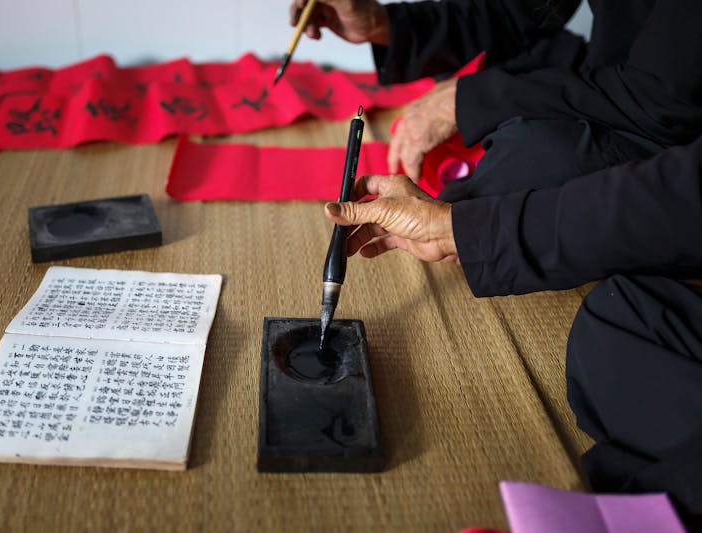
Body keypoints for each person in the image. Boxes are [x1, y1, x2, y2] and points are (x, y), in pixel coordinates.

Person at [290, 0, 702, 521]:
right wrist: (390, 26)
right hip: (616, 93)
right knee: (619, 328)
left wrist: (464, 225)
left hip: (660, 127)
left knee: (516, 180)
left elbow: (666, 109)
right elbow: (526, 11)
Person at [289, 0, 702, 201]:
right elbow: (514, 15)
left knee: (518, 168)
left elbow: (661, 100)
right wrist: (384, 24)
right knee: (508, 61)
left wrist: (470, 101)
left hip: (671, 127)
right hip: (613, 78)